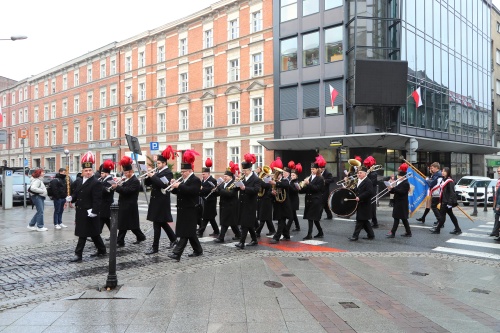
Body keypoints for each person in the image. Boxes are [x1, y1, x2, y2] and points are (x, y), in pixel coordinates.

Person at [68, 151, 106, 262]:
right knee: (94, 234)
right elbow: (77, 193)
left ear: (92, 171)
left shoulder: (95, 183)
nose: (88, 172)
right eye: (86, 170)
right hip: (80, 211)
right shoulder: (79, 181)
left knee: (83, 234)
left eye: (90, 170)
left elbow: (97, 199)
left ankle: (78, 254)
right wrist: (71, 198)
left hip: (89, 212)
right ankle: (102, 249)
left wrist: (94, 211)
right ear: (82, 171)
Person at [168, 150, 203, 261]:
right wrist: (173, 187)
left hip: (191, 209)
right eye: (181, 171)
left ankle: (176, 253)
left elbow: (192, 191)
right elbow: (180, 192)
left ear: (189, 171)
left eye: (183, 171)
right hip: (183, 209)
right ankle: (198, 250)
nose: (182, 173)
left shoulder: (195, 180)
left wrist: (179, 186)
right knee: (190, 232)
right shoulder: (184, 180)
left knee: (185, 233)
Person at [144, 147, 178, 254]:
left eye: (158, 163)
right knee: (162, 223)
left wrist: (153, 176)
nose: (157, 165)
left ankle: (155, 248)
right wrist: (148, 176)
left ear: (164, 163)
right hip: (156, 201)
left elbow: (163, 184)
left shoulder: (168, 173)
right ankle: (174, 239)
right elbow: (148, 184)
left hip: (161, 201)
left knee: (157, 224)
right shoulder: (158, 171)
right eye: (157, 163)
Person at [112, 156, 146, 247]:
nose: (125, 174)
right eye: (124, 172)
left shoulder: (135, 181)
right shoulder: (127, 179)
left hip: (130, 205)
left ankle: (120, 241)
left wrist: (117, 187)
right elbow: (123, 189)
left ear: (131, 172)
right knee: (131, 224)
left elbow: (127, 191)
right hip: (124, 204)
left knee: (124, 224)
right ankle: (141, 236)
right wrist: (117, 185)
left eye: (127, 172)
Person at [234, 153, 261, 249]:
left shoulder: (256, 179)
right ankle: (254, 239)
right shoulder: (243, 178)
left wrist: (245, 188)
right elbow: (238, 189)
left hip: (250, 204)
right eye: (243, 170)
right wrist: (236, 183)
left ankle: (242, 242)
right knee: (248, 224)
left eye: (245, 170)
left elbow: (256, 190)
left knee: (245, 223)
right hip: (242, 203)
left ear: (250, 170)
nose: (243, 172)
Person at [300, 156, 325, 240]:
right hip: (309, 199)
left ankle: (309, 234)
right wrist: (300, 188)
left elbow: (317, 189)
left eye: (313, 169)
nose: (312, 171)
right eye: (311, 169)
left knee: (311, 218)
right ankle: (320, 232)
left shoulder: (320, 178)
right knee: (315, 218)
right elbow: (307, 189)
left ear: (318, 169)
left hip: (316, 200)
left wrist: (309, 183)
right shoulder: (310, 177)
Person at [214, 165, 241, 243]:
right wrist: (216, 190)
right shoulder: (223, 184)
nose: (224, 178)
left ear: (230, 177)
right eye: (224, 176)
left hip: (231, 206)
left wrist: (220, 190)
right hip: (223, 205)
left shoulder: (234, 183)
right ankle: (238, 234)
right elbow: (220, 193)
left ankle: (221, 237)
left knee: (225, 222)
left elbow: (230, 193)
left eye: (226, 176)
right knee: (232, 223)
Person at [348, 166, 375, 241]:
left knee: (360, 220)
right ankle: (371, 235)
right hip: (360, 203)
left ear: (365, 173)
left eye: (360, 173)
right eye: (358, 173)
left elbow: (369, 192)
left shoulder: (368, 181)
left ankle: (355, 236)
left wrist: (360, 197)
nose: (358, 174)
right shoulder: (359, 180)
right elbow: (357, 190)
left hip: (365, 203)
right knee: (365, 220)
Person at [430, 167, 460, 235]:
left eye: (444, 171)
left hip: (446, 202)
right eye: (442, 171)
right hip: (444, 201)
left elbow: (452, 193)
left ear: (448, 172)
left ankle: (438, 230)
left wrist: (449, 203)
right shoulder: (443, 180)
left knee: (442, 216)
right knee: (450, 216)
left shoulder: (450, 181)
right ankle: (457, 229)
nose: (443, 172)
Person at [386, 164, 411, 238]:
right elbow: (395, 191)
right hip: (398, 202)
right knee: (403, 219)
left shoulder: (406, 183)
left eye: (399, 176)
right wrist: (390, 189)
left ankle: (393, 233)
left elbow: (402, 192)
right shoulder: (399, 182)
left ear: (403, 177)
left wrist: (393, 188)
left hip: (402, 203)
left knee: (397, 218)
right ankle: (408, 232)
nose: (398, 177)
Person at [269, 164, 292, 244]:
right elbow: (273, 190)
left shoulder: (286, 180)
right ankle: (286, 235)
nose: (284, 173)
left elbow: (286, 185)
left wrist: (275, 183)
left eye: (285, 172)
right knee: (281, 220)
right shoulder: (277, 180)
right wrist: (273, 192)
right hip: (278, 204)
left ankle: (276, 237)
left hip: (284, 204)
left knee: (281, 221)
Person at [197, 158, 220, 237]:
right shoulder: (202, 181)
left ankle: (200, 232)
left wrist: (202, 189)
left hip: (211, 201)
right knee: (211, 218)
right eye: (202, 174)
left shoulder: (212, 180)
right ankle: (216, 231)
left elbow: (212, 189)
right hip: (204, 200)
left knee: (206, 217)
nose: (202, 176)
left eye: (204, 174)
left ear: (208, 173)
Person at [256, 164, 275, 238]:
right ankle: (272, 230)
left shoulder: (270, 180)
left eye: (266, 172)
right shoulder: (263, 179)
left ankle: (258, 232)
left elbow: (266, 186)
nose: (265, 173)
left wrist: (260, 181)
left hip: (267, 200)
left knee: (263, 217)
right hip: (262, 199)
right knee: (267, 217)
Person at [98, 160, 115, 234]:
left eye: (102, 173)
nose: (101, 175)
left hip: (107, 203)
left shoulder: (110, 180)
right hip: (103, 203)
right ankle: (113, 234)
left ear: (106, 173)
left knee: (103, 219)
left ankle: (96, 235)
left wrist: (99, 185)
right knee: (105, 220)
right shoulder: (103, 179)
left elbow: (107, 191)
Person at [286, 162, 302, 232]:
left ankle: (287, 228)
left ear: (296, 176)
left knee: (291, 216)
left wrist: (288, 185)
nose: (292, 176)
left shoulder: (296, 182)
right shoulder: (290, 181)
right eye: (291, 175)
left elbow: (295, 191)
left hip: (294, 200)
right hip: (290, 199)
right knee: (294, 214)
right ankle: (297, 226)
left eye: (293, 175)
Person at [364, 156, 379, 228]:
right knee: (368, 207)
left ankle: (375, 222)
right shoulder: (370, 172)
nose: (366, 166)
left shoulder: (374, 173)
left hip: (372, 191)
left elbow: (370, 182)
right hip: (368, 191)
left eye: (367, 165)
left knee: (372, 207)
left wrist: (367, 173)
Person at [490, 166, 500, 238]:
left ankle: (495, 232)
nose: (498, 172)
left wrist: (498, 205)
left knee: (497, 217)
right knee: (497, 217)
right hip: (497, 200)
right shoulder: (498, 179)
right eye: (498, 171)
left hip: (499, 202)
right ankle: (495, 232)